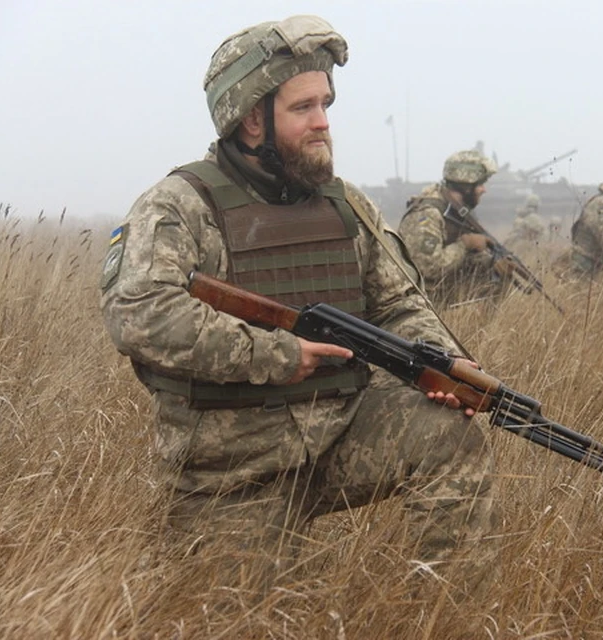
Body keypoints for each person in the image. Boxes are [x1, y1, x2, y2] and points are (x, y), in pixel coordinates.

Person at [99, 16, 497, 597]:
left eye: (326, 104)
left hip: (340, 437)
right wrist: (280, 353)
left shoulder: (343, 204)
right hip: (233, 468)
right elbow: (140, 313)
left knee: (450, 434)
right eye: (304, 107)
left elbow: (400, 301)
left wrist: (442, 365)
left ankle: (446, 617)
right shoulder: (180, 206)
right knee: (223, 615)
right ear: (252, 117)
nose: (323, 123)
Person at [397, 150, 512, 306]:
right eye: (480, 184)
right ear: (466, 186)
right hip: (418, 304)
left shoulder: (458, 212)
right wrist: (465, 244)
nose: (484, 190)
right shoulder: (427, 215)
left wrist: (493, 263)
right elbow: (428, 267)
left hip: (443, 296)